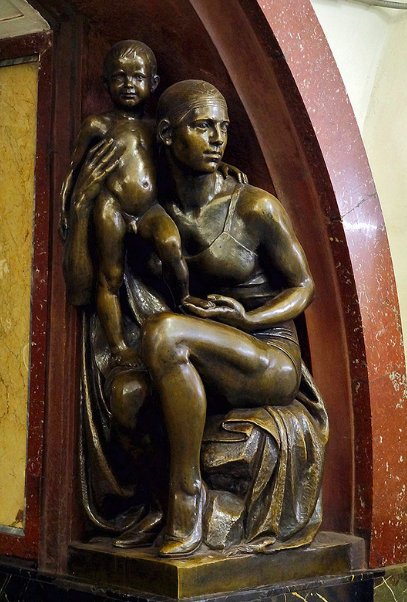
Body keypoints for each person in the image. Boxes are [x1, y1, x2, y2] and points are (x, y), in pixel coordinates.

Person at [139, 80, 328, 557]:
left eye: (222, 127)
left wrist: (248, 319)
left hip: (268, 354)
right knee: (128, 392)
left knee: (165, 334)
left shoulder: (254, 206)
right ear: (167, 134)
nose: (217, 139)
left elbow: (304, 286)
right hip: (211, 349)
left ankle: (187, 497)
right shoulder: (163, 210)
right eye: (203, 126)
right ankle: (152, 501)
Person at [61, 40, 190, 367]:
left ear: (153, 83)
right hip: (111, 207)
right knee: (110, 276)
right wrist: (69, 208)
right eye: (119, 77)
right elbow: (74, 170)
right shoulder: (98, 125)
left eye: (137, 77)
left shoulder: (156, 128)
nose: (128, 84)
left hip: (148, 208)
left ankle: (186, 303)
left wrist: (222, 169)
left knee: (171, 244)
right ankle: (118, 347)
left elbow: (181, 164)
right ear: (106, 84)